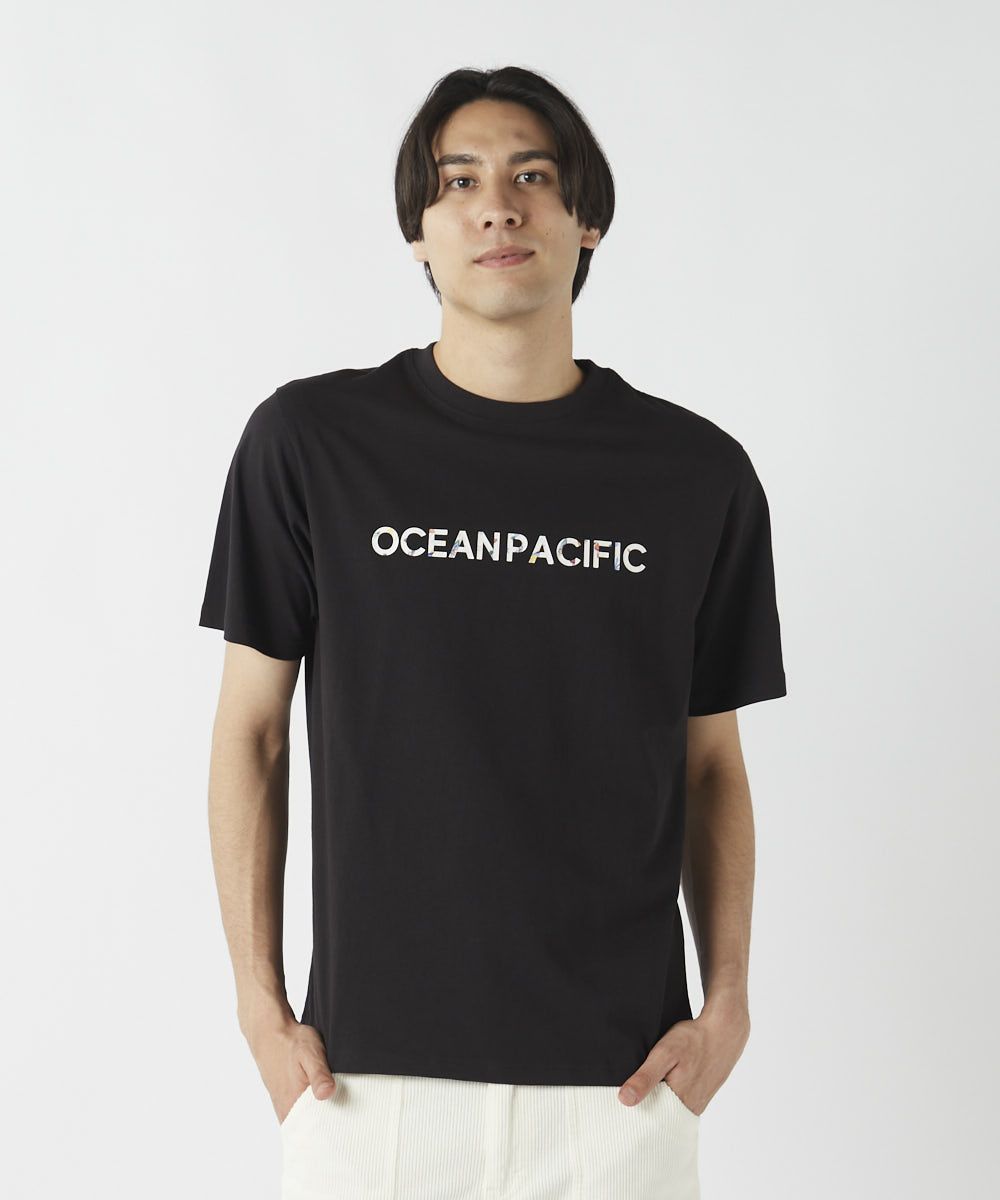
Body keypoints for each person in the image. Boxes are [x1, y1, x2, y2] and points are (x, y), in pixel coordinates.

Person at [199, 65, 787, 1200]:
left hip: (620, 1091)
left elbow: (710, 760)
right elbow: (251, 734)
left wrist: (726, 1006)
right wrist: (260, 1010)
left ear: (587, 220)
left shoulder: (693, 474)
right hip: (363, 1087)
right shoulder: (312, 444)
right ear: (417, 234)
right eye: (458, 182)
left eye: (533, 178)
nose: (497, 209)